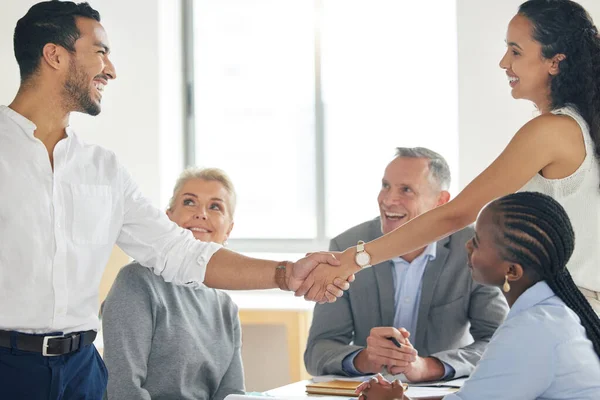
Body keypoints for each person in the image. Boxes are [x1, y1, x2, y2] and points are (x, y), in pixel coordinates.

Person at [0, 2, 349, 399]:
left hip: (83, 375)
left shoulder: (104, 169)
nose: (111, 69)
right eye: (100, 52)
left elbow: (178, 251)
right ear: (55, 55)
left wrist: (286, 274)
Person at [300, 0, 600, 315]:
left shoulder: (551, 131)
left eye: (516, 52)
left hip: (572, 314)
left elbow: (455, 214)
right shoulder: (578, 126)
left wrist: (354, 259)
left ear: (555, 62)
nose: (503, 62)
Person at [355, 192, 600, 399]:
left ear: (511, 271)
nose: (467, 246)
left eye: (478, 242)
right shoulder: (548, 313)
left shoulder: (533, 328)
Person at [304, 148, 507, 382]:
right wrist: (366, 358)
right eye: (385, 186)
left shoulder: (474, 249)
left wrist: (428, 367)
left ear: (441, 201)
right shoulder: (347, 247)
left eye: (406, 190)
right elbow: (317, 350)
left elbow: (498, 342)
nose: (388, 200)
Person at [103, 167, 246, 400]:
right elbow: (124, 389)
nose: (201, 213)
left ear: (228, 229)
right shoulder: (136, 282)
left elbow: (232, 394)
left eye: (215, 206)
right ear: (168, 218)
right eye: (189, 202)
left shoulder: (225, 307)